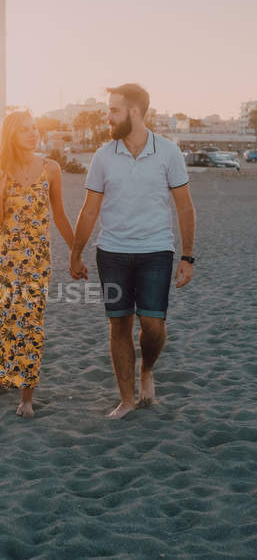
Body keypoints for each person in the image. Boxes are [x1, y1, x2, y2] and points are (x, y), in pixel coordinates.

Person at [70, 83, 196, 420]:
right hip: (111, 252)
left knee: (153, 326)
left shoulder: (168, 152)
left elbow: (184, 207)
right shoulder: (103, 155)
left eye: (113, 110)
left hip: (156, 251)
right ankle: (126, 399)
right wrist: (76, 253)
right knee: (119, 325)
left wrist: (187, 257)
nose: (107, 116)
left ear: (134, 112)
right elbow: (89, 210)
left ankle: (147, 370)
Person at [0, 110, 74, 417]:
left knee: (30, 323)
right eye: (24, 129)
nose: (32, 133)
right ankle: (1, 374)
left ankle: (26, 396)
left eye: (34, 128)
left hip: (36, 260)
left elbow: (59, 215)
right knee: (2, 320)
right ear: (11, 135)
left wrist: (76, 251)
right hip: (3, 258)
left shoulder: (51, 168)